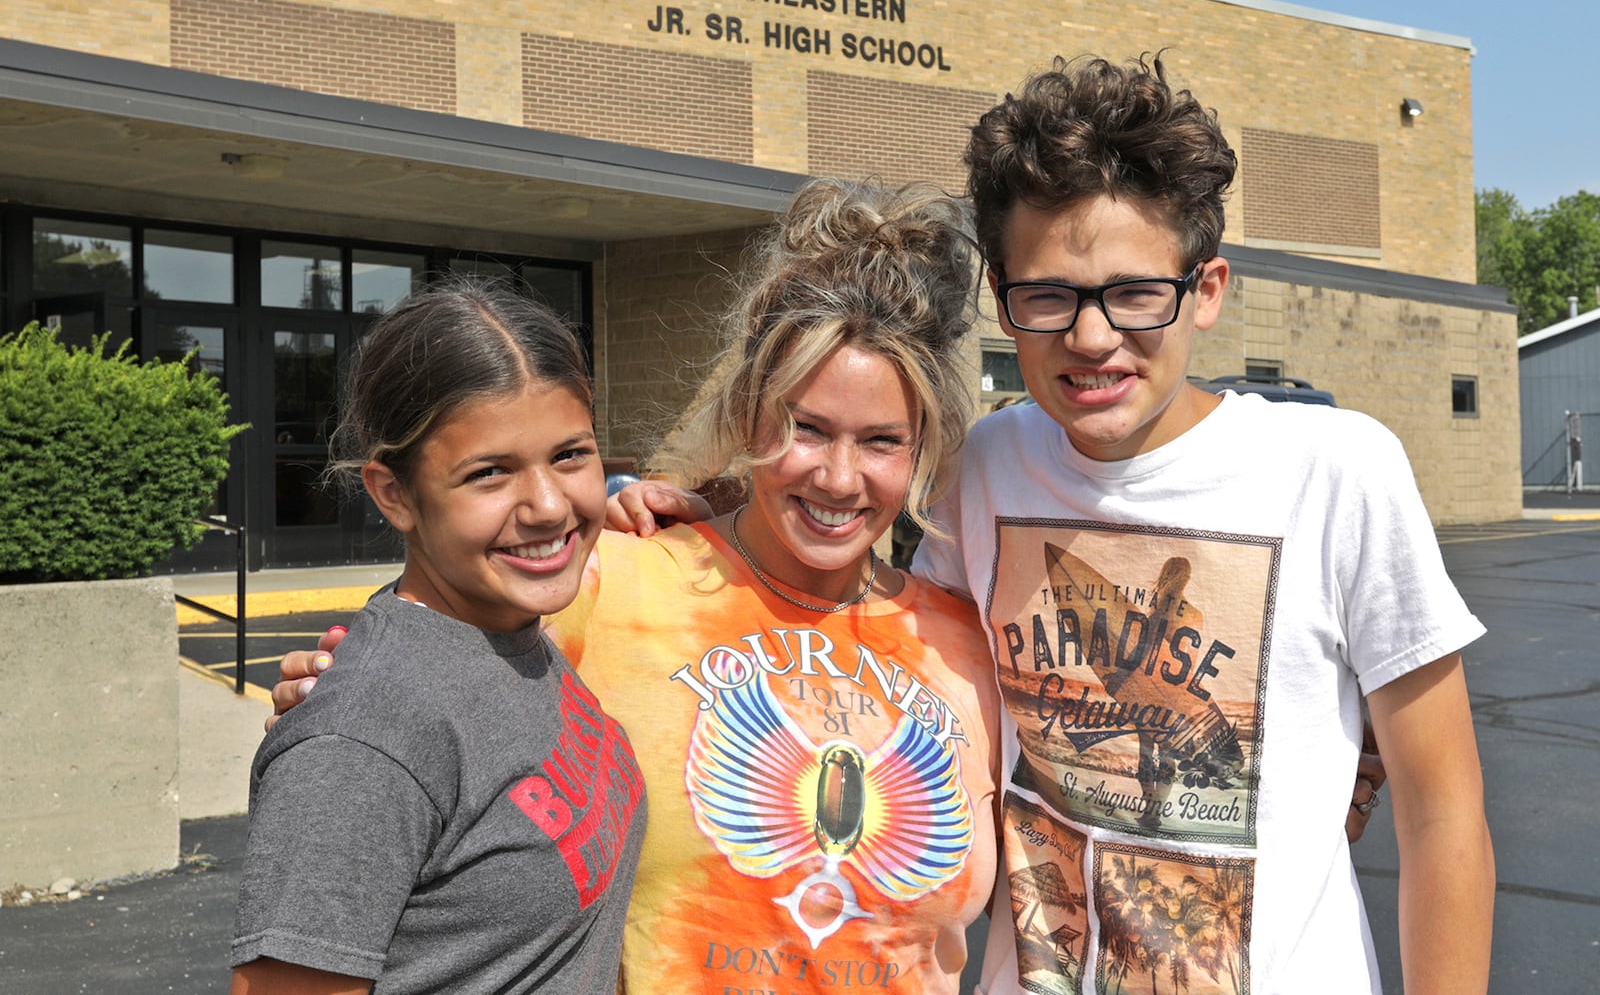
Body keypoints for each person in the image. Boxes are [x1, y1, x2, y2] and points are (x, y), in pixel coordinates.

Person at [272, 179, 1005, 995]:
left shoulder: (970, 646)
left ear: (923, 449)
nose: (839, 476)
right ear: (749, 414)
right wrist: (344, 692)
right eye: (806, 428)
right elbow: (418, 676)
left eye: (881, 441)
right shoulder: (609, 581)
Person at [908, 53, 1493, 994]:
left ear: (1207, 290)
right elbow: (876, 668)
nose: (1091, 338)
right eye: (1048, 295)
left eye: (1137, 292)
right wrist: (715, 525)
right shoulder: (982, 470)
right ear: (1000, 297)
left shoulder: (1338, 472)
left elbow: (1443, 809)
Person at [231, 280, 646, 994]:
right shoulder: (362, 743)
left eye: (571, 455)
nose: (549, 506)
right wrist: (355, 738)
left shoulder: (512, 630)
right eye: (490, 473)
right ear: (393, 494)